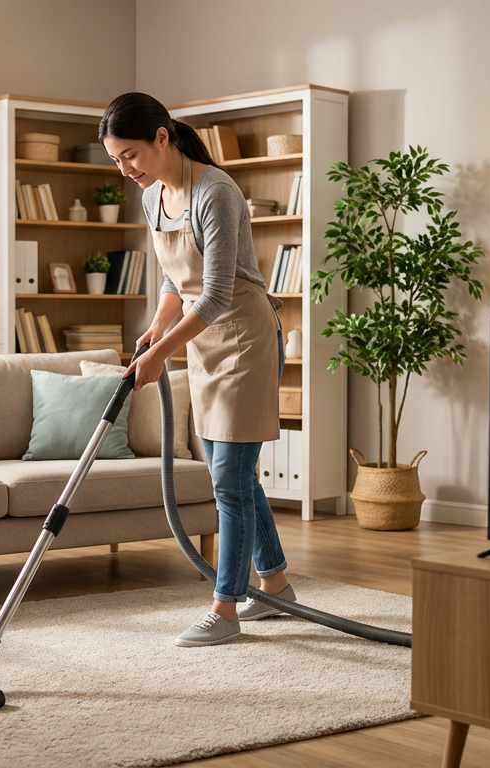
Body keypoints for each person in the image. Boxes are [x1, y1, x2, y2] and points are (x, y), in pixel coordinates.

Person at [101, 93, 291, 648]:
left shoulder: (216, 192)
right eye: (116, 159)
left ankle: (225, 608)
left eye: (130, 155)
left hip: (245, 340)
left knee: (227, 483)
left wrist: (160, 354)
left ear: (162, 137)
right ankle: (276, 581)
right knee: (231, 475)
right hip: (202, 342)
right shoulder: (153, 197)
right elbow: (172, 281)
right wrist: (158, 327)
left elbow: (215, 292)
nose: (125, 169)